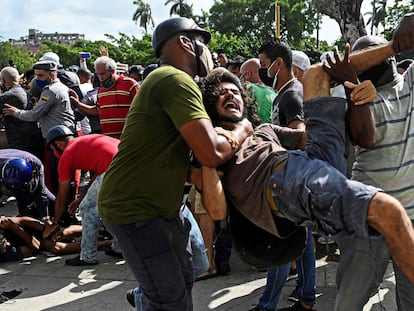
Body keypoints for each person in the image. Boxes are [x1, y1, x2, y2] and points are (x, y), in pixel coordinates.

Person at [195, 41, 414, 307]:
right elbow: (217, 212)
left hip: (311, 161)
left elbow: (307, 136)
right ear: (210, 108)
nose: (230, 95)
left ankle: (395, 44)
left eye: (234, 91)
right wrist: (209, 157)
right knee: (389, 211)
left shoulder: (264, 130)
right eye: (220, 94)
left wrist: (357, 96)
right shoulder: (214, 148)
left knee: (315, 74)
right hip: (283, 180)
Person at [98, 17, 252, 311]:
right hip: (135, 210)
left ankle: (149, 297)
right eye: (202, 43)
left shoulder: (169, 80)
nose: (206, 51)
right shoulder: (174, 79)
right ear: (185, 42)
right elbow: (211, 152)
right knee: (170, 300)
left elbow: (181, 158)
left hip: (162, 208)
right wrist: (242, 129)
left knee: (184, 279)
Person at [334, 17, 414, 310]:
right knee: (349, 301)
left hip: (412, 217)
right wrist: (353, 89)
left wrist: (410, 22)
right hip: (369, 216)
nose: (368, 61)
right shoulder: (358, 98)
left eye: (375, 53)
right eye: (360, 58)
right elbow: (364, 138)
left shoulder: (411, 81)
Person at [252, 42, 316, 311]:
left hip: (289, 178)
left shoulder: (291, 94)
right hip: (293, 176)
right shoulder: (286, 93)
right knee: (302, 242)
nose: (263, 71)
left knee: (280, 242)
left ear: (279, 63)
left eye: (265, 66)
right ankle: (307, 298)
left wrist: (267, 135)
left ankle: (268, 305)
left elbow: (300, 136)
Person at [44, 125, 121, 265]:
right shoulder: (87, 141)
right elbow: (98, 172)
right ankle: (119, 248)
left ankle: (87, 256)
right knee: (110, 210)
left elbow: (62, 197)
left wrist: (55, 222)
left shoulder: (67, 154)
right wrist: (81, 198)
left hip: (113, 171)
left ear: (58, 144)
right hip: (130, 166)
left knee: (88, 209)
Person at [69, 56, 139, 139]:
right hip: (110, 140)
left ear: (112, 71)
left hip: (129, 138)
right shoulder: (101, 90)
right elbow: (97, 110)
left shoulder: (130, 84)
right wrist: (78, 104)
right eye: (97, 74)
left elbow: (141, 109)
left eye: (102, 74)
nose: (100, 77)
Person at [0, 215, 111, 262]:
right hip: (34, 242)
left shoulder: (3, 223)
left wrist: (46, 229)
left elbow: (23, 219)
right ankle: (108, 242)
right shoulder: (7, 253)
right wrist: (15, 229)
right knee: (56, 248)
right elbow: (33, 248)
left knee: (62, 232)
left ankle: (102, 229)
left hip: (30, 231)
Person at [0, 149, 55, 232]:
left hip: (30, 164)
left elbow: (41, 194)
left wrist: (46, 219)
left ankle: (63, 215)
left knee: (41, 197)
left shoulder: (36, 165)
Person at [0, 66, 43, 159]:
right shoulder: (27, 92)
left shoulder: (7, 96)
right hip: (34, 140)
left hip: (19, 144)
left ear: (3, 80)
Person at [239, 58, 276, 123]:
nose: (240, 79)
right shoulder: (275, 94)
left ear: (247, 74)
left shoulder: (246, 88)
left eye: (241, 75)